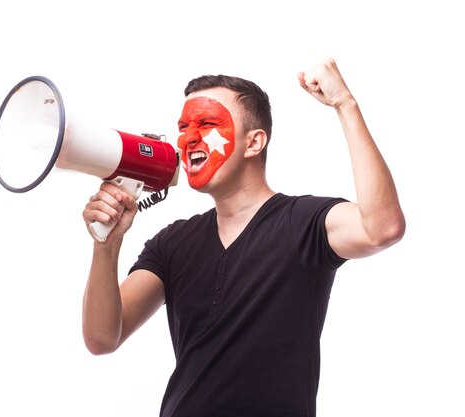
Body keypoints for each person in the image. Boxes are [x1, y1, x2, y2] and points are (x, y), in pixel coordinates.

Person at [81, 58, 406, 417]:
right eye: (184, 126)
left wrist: (346, 104)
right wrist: (106, 245)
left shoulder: (305, 224)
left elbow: (383, 227)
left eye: (207, 123)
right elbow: (102, 337)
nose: (189, 138)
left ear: (254, 143)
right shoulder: (172, 243)